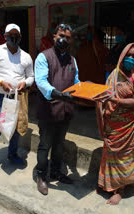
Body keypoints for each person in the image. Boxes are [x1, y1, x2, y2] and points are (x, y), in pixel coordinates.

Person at [95, 43, 134, 205]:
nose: (130, 59)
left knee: (124, 158)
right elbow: (106, 93)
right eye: (128, 55)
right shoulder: (114, 75)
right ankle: (106, 184)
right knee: (110, 156)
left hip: (130, 128)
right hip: (112, 125)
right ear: (122, 56)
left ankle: (120, 190)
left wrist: (116, 100)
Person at [0, 23, 34, 174]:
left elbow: (31, 76)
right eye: (10, 35)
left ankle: (12, 154)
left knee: (16, 128)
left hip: (19, 97)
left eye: (16, 35)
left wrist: (26, 82)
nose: (14, 37)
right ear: (4, 36)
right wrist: (1, 82)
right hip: (0, 97)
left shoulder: (26, 56)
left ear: (21, 37)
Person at [34, 24, 80, 195]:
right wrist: (58, 94)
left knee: (59, 145)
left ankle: (56, 172)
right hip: (48, 111)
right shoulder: (43, 57)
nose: (64, 39)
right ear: (54, 36)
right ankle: (41, 176)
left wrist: (86, 90)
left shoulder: (72, 60)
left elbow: (76, 82)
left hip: (66, 111)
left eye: (68, 37)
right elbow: (41, 81)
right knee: (45, 145)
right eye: (61, 35)